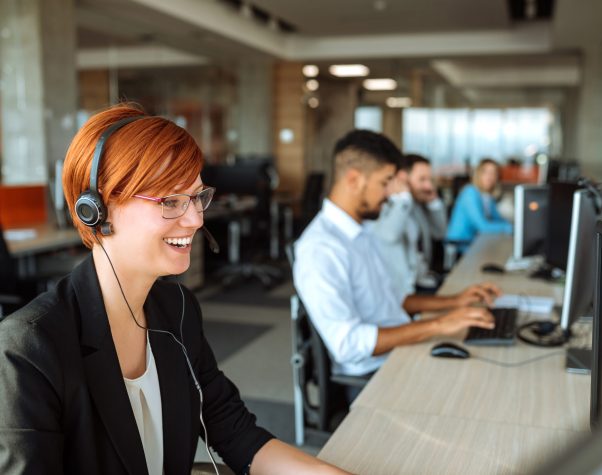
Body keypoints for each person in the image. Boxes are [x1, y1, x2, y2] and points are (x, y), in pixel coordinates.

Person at [0, 104, 349, 475]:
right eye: (170, 201)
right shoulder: (29, 348)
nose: (196, 219)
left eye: (197, 197)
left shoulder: (177, 308)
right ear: (99, 208)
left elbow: (236, 433)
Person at [293, 130, 499, 379]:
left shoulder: (362, 231)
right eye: (385, 182)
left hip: (400, 349)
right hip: (373, 373)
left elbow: (393, 299)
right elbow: (347, 344)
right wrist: (439, 325)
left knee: (492, 362)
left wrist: (455, 302)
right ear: (353, 180)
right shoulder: (321, 248)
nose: (391, 193)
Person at [370, 154, 447, 296]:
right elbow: (389, 236)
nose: (429, 186)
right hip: (403, 292)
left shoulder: (417, 205)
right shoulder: (389, 205)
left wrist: (434, 203)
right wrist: (403, 198)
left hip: (423, 281)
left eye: (430, 180)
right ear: (403, 178)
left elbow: (439, 232)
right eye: (422, 179)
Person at [446, 158, 512, 250]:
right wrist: (509, 228)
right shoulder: (470, 192)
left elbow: (497, 219)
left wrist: (513, 225)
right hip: (460, 245)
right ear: (478, 174)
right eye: (486, 172)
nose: (490, 176)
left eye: (494, 173)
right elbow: (483, 226)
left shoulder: (487, 196)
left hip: (476, 241)